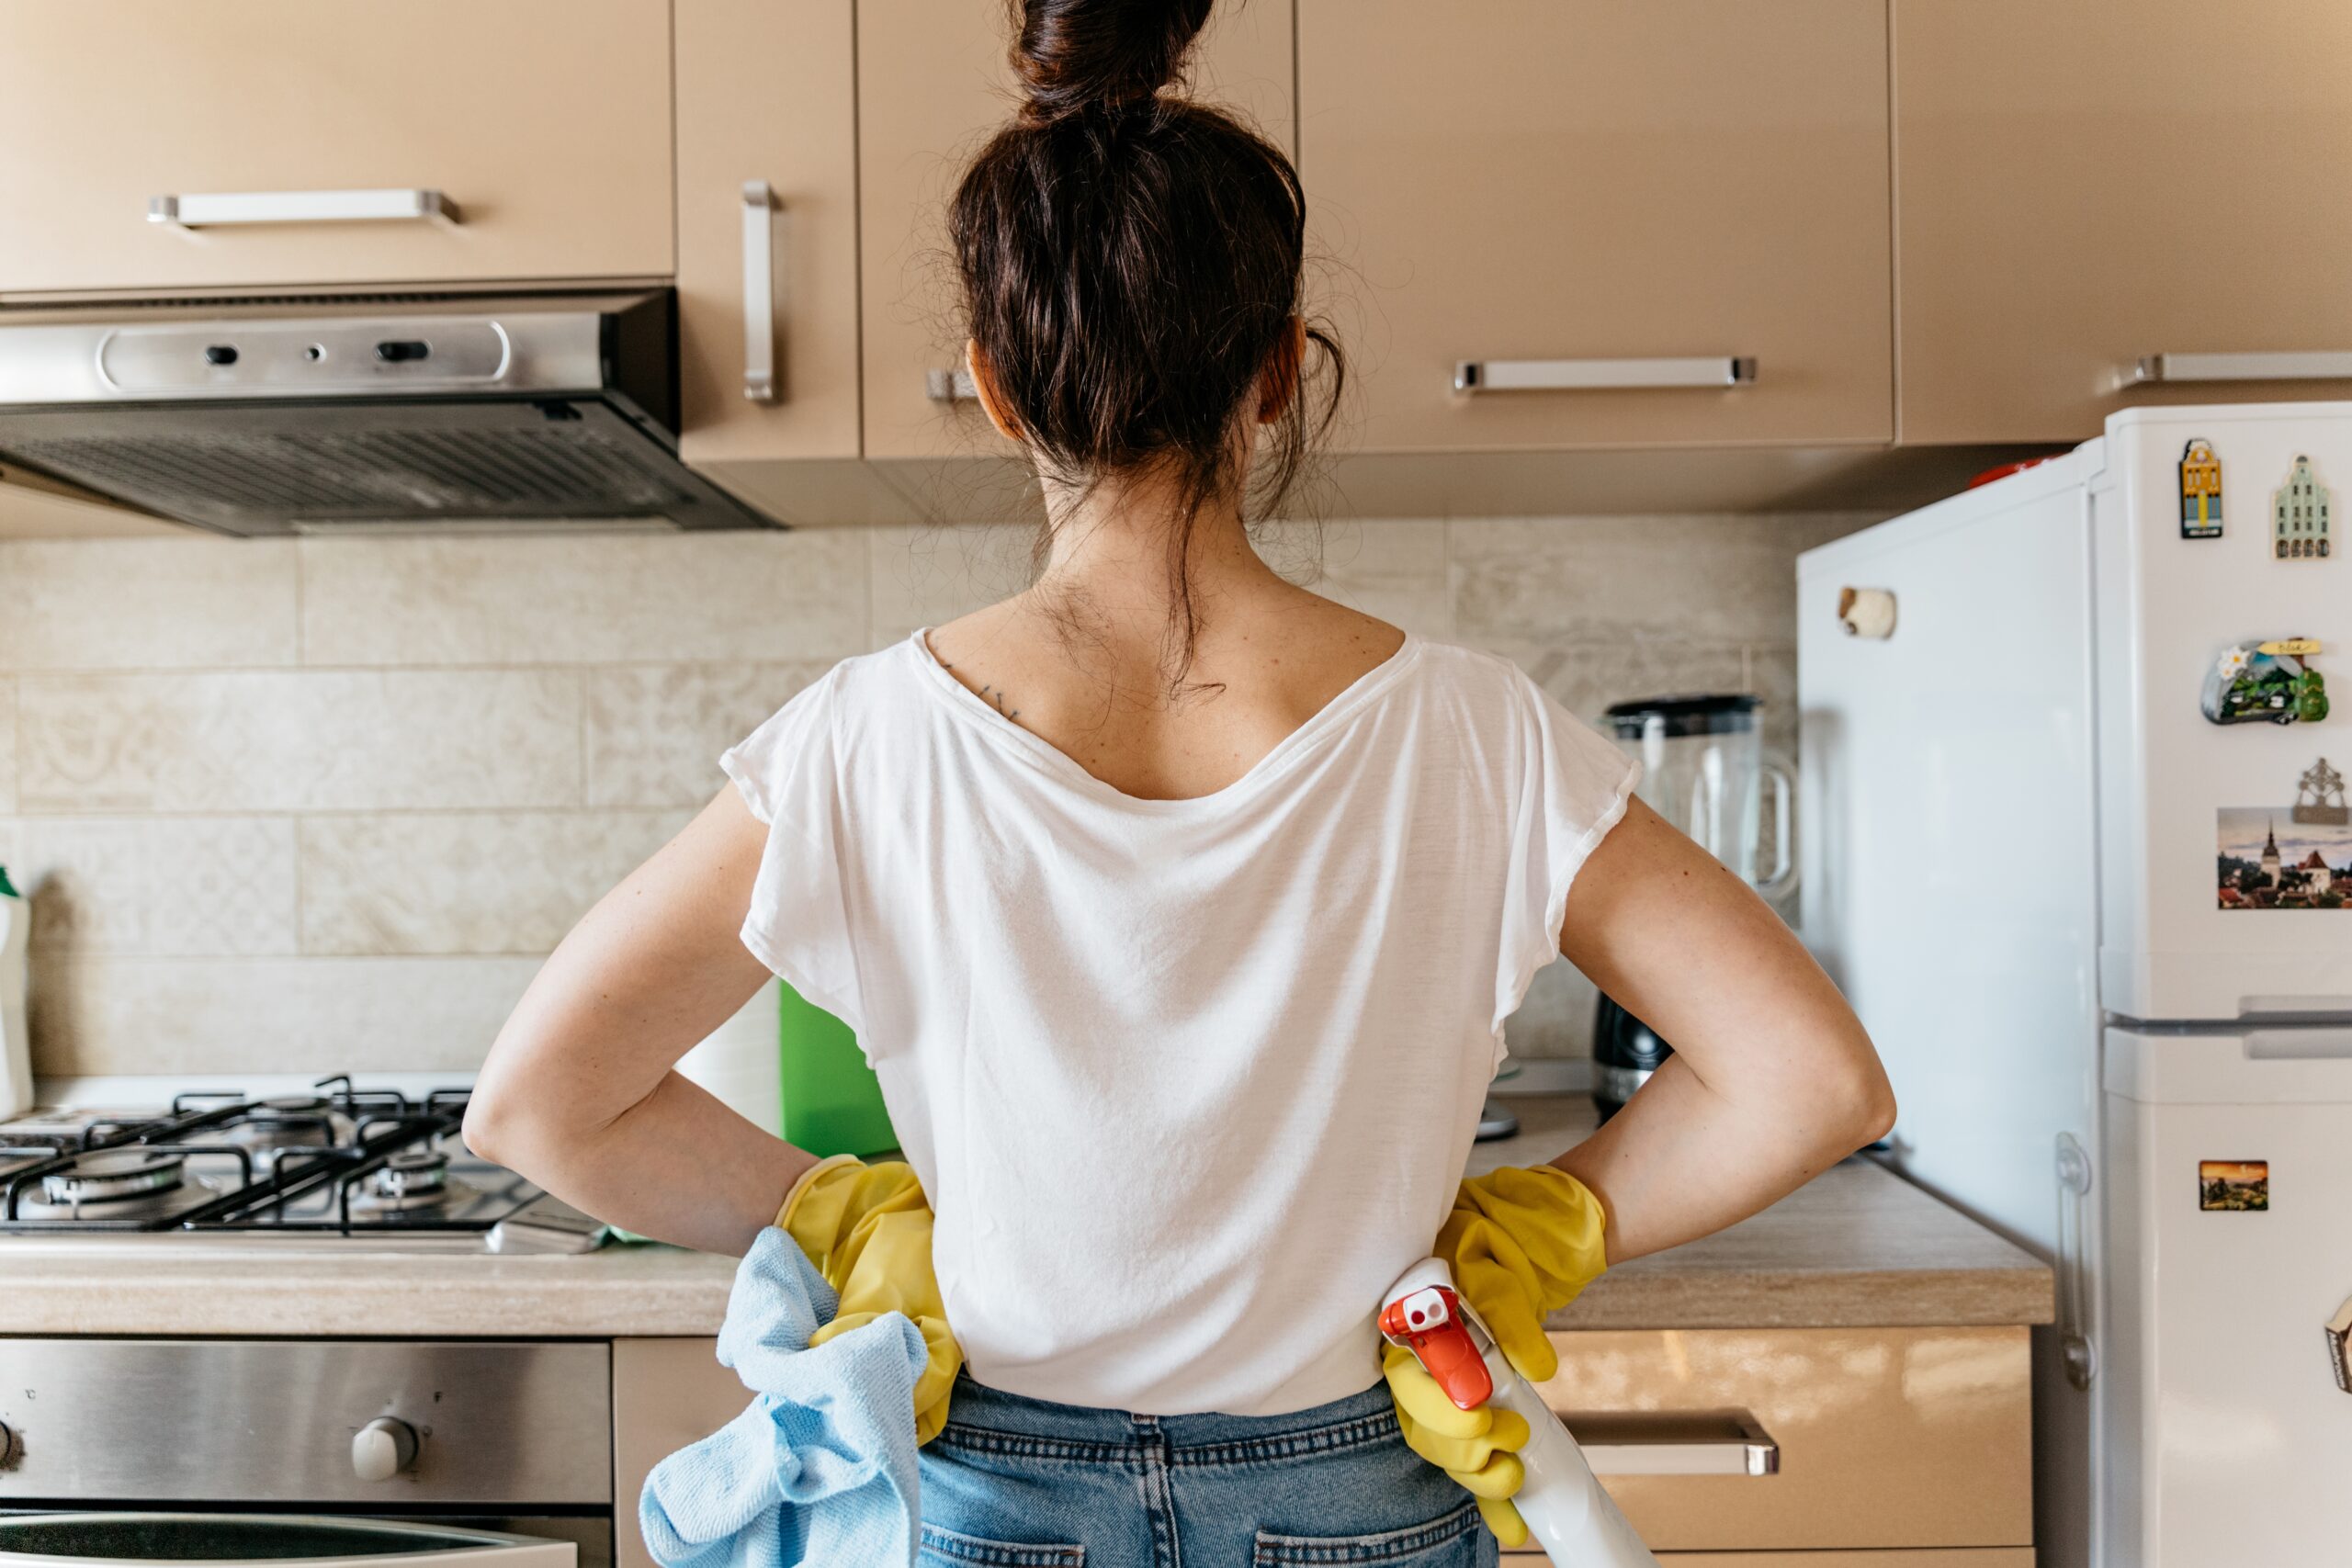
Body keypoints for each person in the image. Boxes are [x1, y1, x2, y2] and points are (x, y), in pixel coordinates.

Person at [464, 1, 1895, 1562]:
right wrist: (1552, 1223)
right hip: (1357, 1499)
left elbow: (543, 1106)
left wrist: (839, 1209)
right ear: (1281, 372)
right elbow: (1815, 1084)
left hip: (996, 1499)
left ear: (993, 388)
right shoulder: (1478, 732)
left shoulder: (865, 738)